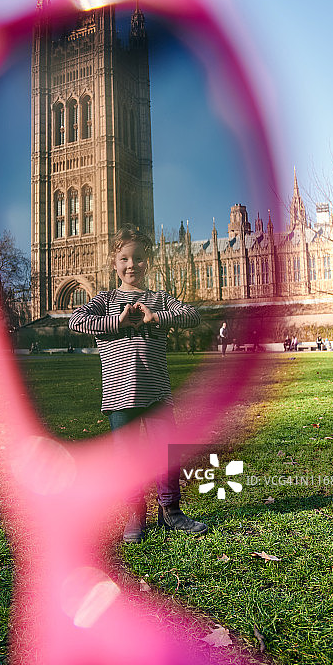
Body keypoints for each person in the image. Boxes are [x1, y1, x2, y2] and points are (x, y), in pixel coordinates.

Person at [69, 225, 207, 543]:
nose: (132, 265)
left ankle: (170, 512)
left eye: (139, 259)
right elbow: (76, 320)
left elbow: (193, 315)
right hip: (119, 396)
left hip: (157, 391)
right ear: (114, 263)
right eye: (125, 259)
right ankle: (135, 516)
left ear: (149, 263)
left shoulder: (159, 299)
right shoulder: (104, 300)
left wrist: (157, 318)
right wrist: (117, 322)